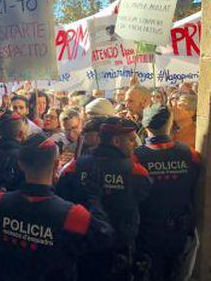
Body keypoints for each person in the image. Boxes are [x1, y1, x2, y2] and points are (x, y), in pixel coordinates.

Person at [0, 134, 114, 281]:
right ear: (56, 164)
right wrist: (94, 197)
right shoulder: (71, 214)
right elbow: (105, 236)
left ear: (20, 164)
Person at [57, 117, 151, 281]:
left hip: (83, 249)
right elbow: (146, 203)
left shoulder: (75, 167)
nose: (134, 144)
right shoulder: (136, 172)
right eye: (130, 140)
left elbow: (62, 199)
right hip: (119, 253)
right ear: (116, 141)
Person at [133, 104, 201, 281]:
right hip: (180, 231)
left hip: (147, 232)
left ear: (145, 126)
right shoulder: (191, 155)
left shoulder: (135, 157)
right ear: (170, 123)